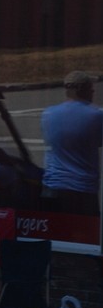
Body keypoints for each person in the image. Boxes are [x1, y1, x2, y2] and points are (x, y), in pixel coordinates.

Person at [41, 72, 103, 217]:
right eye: (92, 90)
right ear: (84, 90)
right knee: (84, 235)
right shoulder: (96, 115)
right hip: (83, 190)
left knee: (55, 234)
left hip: (52, 186)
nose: (93, 93)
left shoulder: (48, 114)